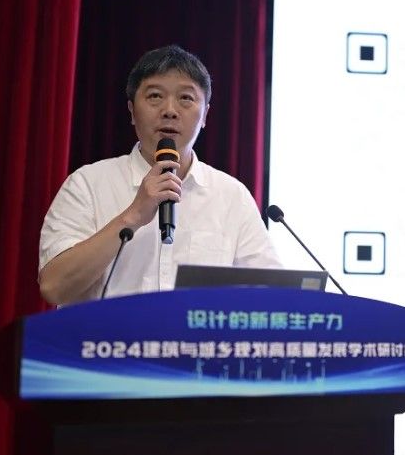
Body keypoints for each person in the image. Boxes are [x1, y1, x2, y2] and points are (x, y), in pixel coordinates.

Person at [39, 45, 280, 306]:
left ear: (205, 116)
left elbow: (272, 295)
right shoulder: (88, 184)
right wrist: (133, 215)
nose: (170, 110)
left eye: (186, 98)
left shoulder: (231, 196)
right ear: (132, 111)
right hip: (110, 334)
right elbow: (54, 287)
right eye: (155, 96)